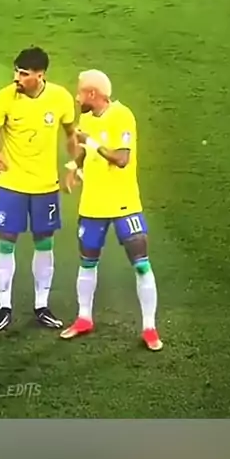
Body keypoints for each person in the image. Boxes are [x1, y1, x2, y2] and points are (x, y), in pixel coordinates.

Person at [60, 69, 163, 351]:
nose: (77, 97)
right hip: (92, 205)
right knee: (87, 262)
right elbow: (84, 149)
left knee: (141, 263)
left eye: (80, 92)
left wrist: (90, 141)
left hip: (124, 204)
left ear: (92, 94)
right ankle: (84, 318)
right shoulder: (87, 118)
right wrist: (74, 167)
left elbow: (121, 159)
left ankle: (150, 328)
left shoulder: (122, 116)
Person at [0, 46, 77, 331]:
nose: (17, 78)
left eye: (24, 74)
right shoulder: (4, 97)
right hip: (11, 184)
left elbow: (71, 134)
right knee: (6, 241)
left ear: (40, 74)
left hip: (45, 186)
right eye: (16, 72)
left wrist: (74, 165)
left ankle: (41, 305)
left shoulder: (60, 98)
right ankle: (4, 306)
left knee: (44, 242)